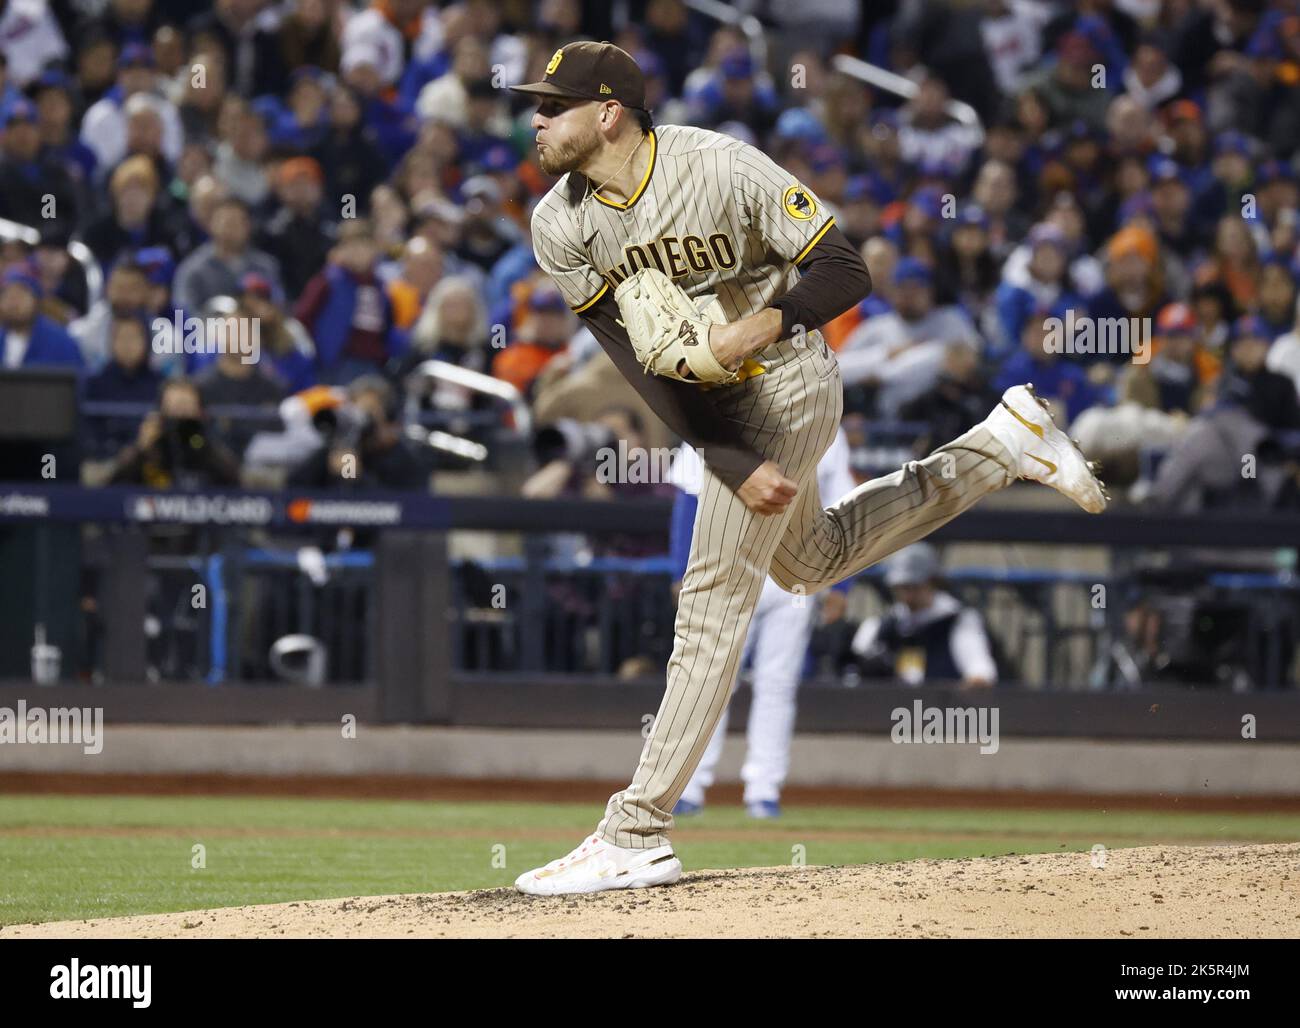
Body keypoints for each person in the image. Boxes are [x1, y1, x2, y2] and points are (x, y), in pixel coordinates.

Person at [509, 42, 1107, 896]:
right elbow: (638, 363)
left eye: (552, 105)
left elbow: (845, 266)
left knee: (713, 598)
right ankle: (999, 448)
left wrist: (772, 322)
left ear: (608, 112)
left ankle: (636, 829)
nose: (536, 120)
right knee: (811, 561)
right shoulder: (560, 224)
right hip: (720, 409)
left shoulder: (718, 166)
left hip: (790, 380)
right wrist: (728, 456)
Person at [670, 430, 856, 820]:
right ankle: (689, 786)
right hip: (728, 569)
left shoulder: (824, 424)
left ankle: (764, 790)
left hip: (794, 576)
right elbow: (689, 499)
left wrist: (842, 582)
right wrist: (681, 570)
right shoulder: (717, 413)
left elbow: (843, 502)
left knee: (777, 683)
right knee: (710, 677)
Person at [848, 543, 998, 688]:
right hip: (887, 710)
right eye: (901, 588)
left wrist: (973, 684)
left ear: (932, 582)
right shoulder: (880, 626)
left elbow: (981, 671)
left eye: (913, 587)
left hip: (940, 711)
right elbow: (851, 676)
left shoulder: (959, 621)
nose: (907, 596)